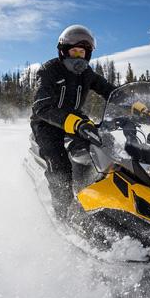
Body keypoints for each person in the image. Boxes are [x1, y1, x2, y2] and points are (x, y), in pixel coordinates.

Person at [30, 25, 116, 219]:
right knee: (60, 166)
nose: (78, 57)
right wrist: (75, 123)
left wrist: (137, 106)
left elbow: (109, 90)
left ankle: (102, 197)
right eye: (74, 51)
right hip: (46, 122)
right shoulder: (49, 70)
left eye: (82, 52)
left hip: (75, 119)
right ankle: (63, 214)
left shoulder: (87, 74)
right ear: (63, 51)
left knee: (105, 148)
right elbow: (41, 107)